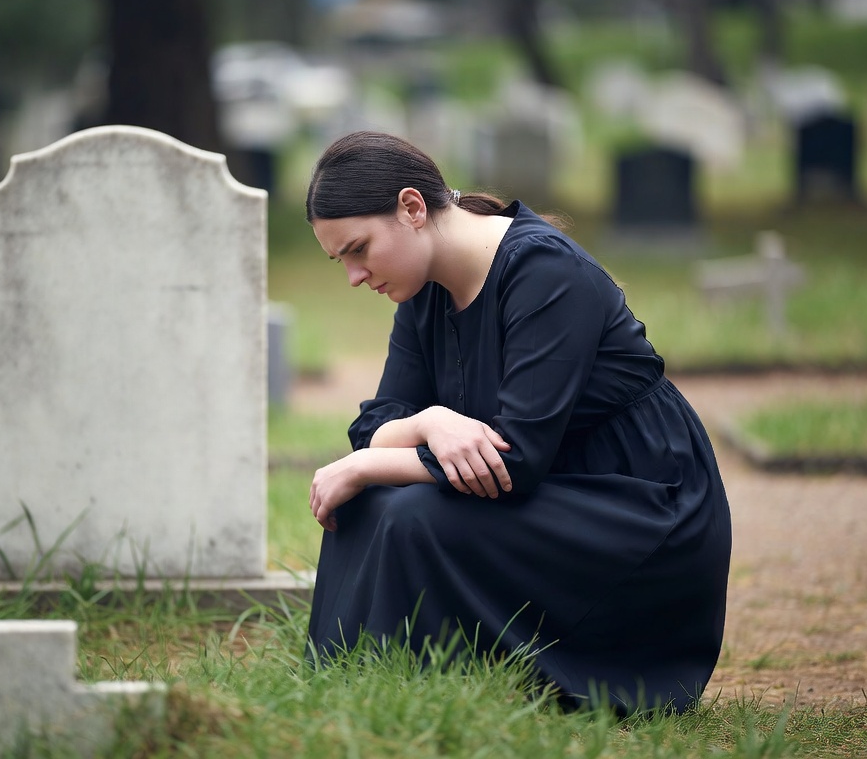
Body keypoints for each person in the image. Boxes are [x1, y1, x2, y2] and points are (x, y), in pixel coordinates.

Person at [303, 131, 731, 714]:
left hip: (637, 513)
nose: (355, 275)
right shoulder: (422, 289)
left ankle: (402, 692)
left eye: (359, 249)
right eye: (342, 261)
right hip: (547, 494)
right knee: (366, 499)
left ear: (412, 208)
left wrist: (364, 464)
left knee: (407, 510)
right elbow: (376, 423)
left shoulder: (544, 269)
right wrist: (428, 423)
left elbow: (517, 458)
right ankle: (348, 687)